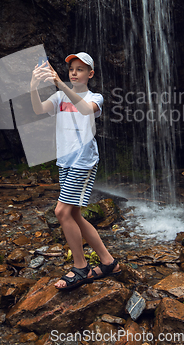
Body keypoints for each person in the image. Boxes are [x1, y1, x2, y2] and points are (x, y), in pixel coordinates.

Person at [30, 52, 121, 290]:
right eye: (71, 68)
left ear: (90, 74)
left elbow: (84, 110)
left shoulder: (95, 97)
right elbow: (39, 110)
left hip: (84, 162)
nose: (74, 73)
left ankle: (80, 267)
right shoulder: (60, 97)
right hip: (65, 162)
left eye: (80, 69)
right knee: (74, 215)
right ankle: (108, 262)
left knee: (62, 212)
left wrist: (59, 83)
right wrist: (34, 84)